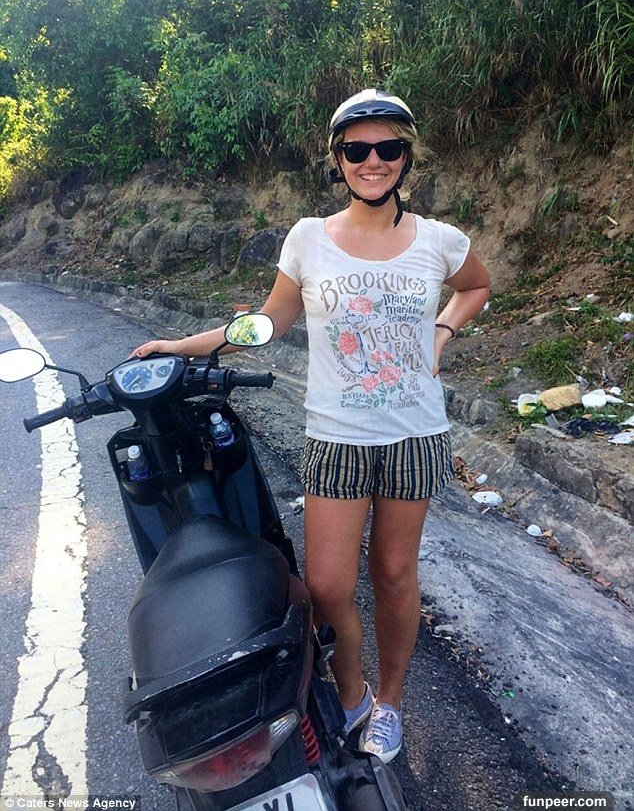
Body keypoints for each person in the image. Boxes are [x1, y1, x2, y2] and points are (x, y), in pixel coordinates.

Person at [131, 89, 490, 763]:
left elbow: (477, 286)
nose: (373, 161)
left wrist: (442, 331)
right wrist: (182, 346)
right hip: (336, 438)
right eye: (358, 150)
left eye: (388, 148)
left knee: (394, 575)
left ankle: (390, 702)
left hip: (414, 437)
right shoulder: (308, 239)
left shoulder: (440, 241)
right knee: (326, 586)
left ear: (407, 156)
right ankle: (352, 693)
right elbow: (268, 323)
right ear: (338, 159)